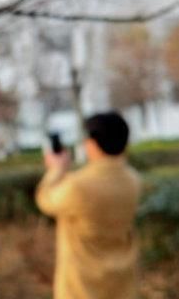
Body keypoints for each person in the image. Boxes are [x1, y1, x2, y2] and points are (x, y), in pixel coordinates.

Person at [36, 112, 142, 299]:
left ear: (92, 143)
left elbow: (45, 199)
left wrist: (55, 170)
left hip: (82, 288)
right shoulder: (133, 180)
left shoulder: (78, 186)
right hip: (123, 283)